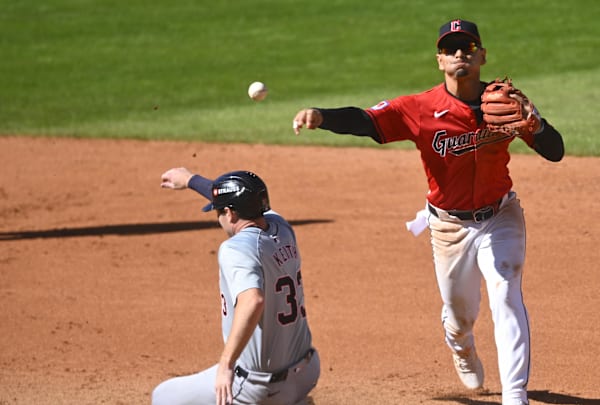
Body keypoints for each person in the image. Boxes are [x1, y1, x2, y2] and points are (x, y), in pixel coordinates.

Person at [291, 19, 564, 405]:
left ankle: (514, 396)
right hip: (449, 227)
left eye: (467, 49)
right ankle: (460, 343)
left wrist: (535, 123)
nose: (459, 56)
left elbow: (556, 151)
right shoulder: (420, 108)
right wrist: (322, 115)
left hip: (501, 217)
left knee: (505, 289)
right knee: (460, 315)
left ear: (482, 56)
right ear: (439, 60)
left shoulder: (505, 104)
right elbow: (367, 120)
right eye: (451, 49)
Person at [153, 167, 320, 405]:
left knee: (164, 397)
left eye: (218, 212)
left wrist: (226, 365)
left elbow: (253, 300)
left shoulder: (236, 249)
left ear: (230, 214)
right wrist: (191, 180)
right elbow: (243, 199)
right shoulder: (281, 227)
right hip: (306, 371)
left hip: (260, 387)